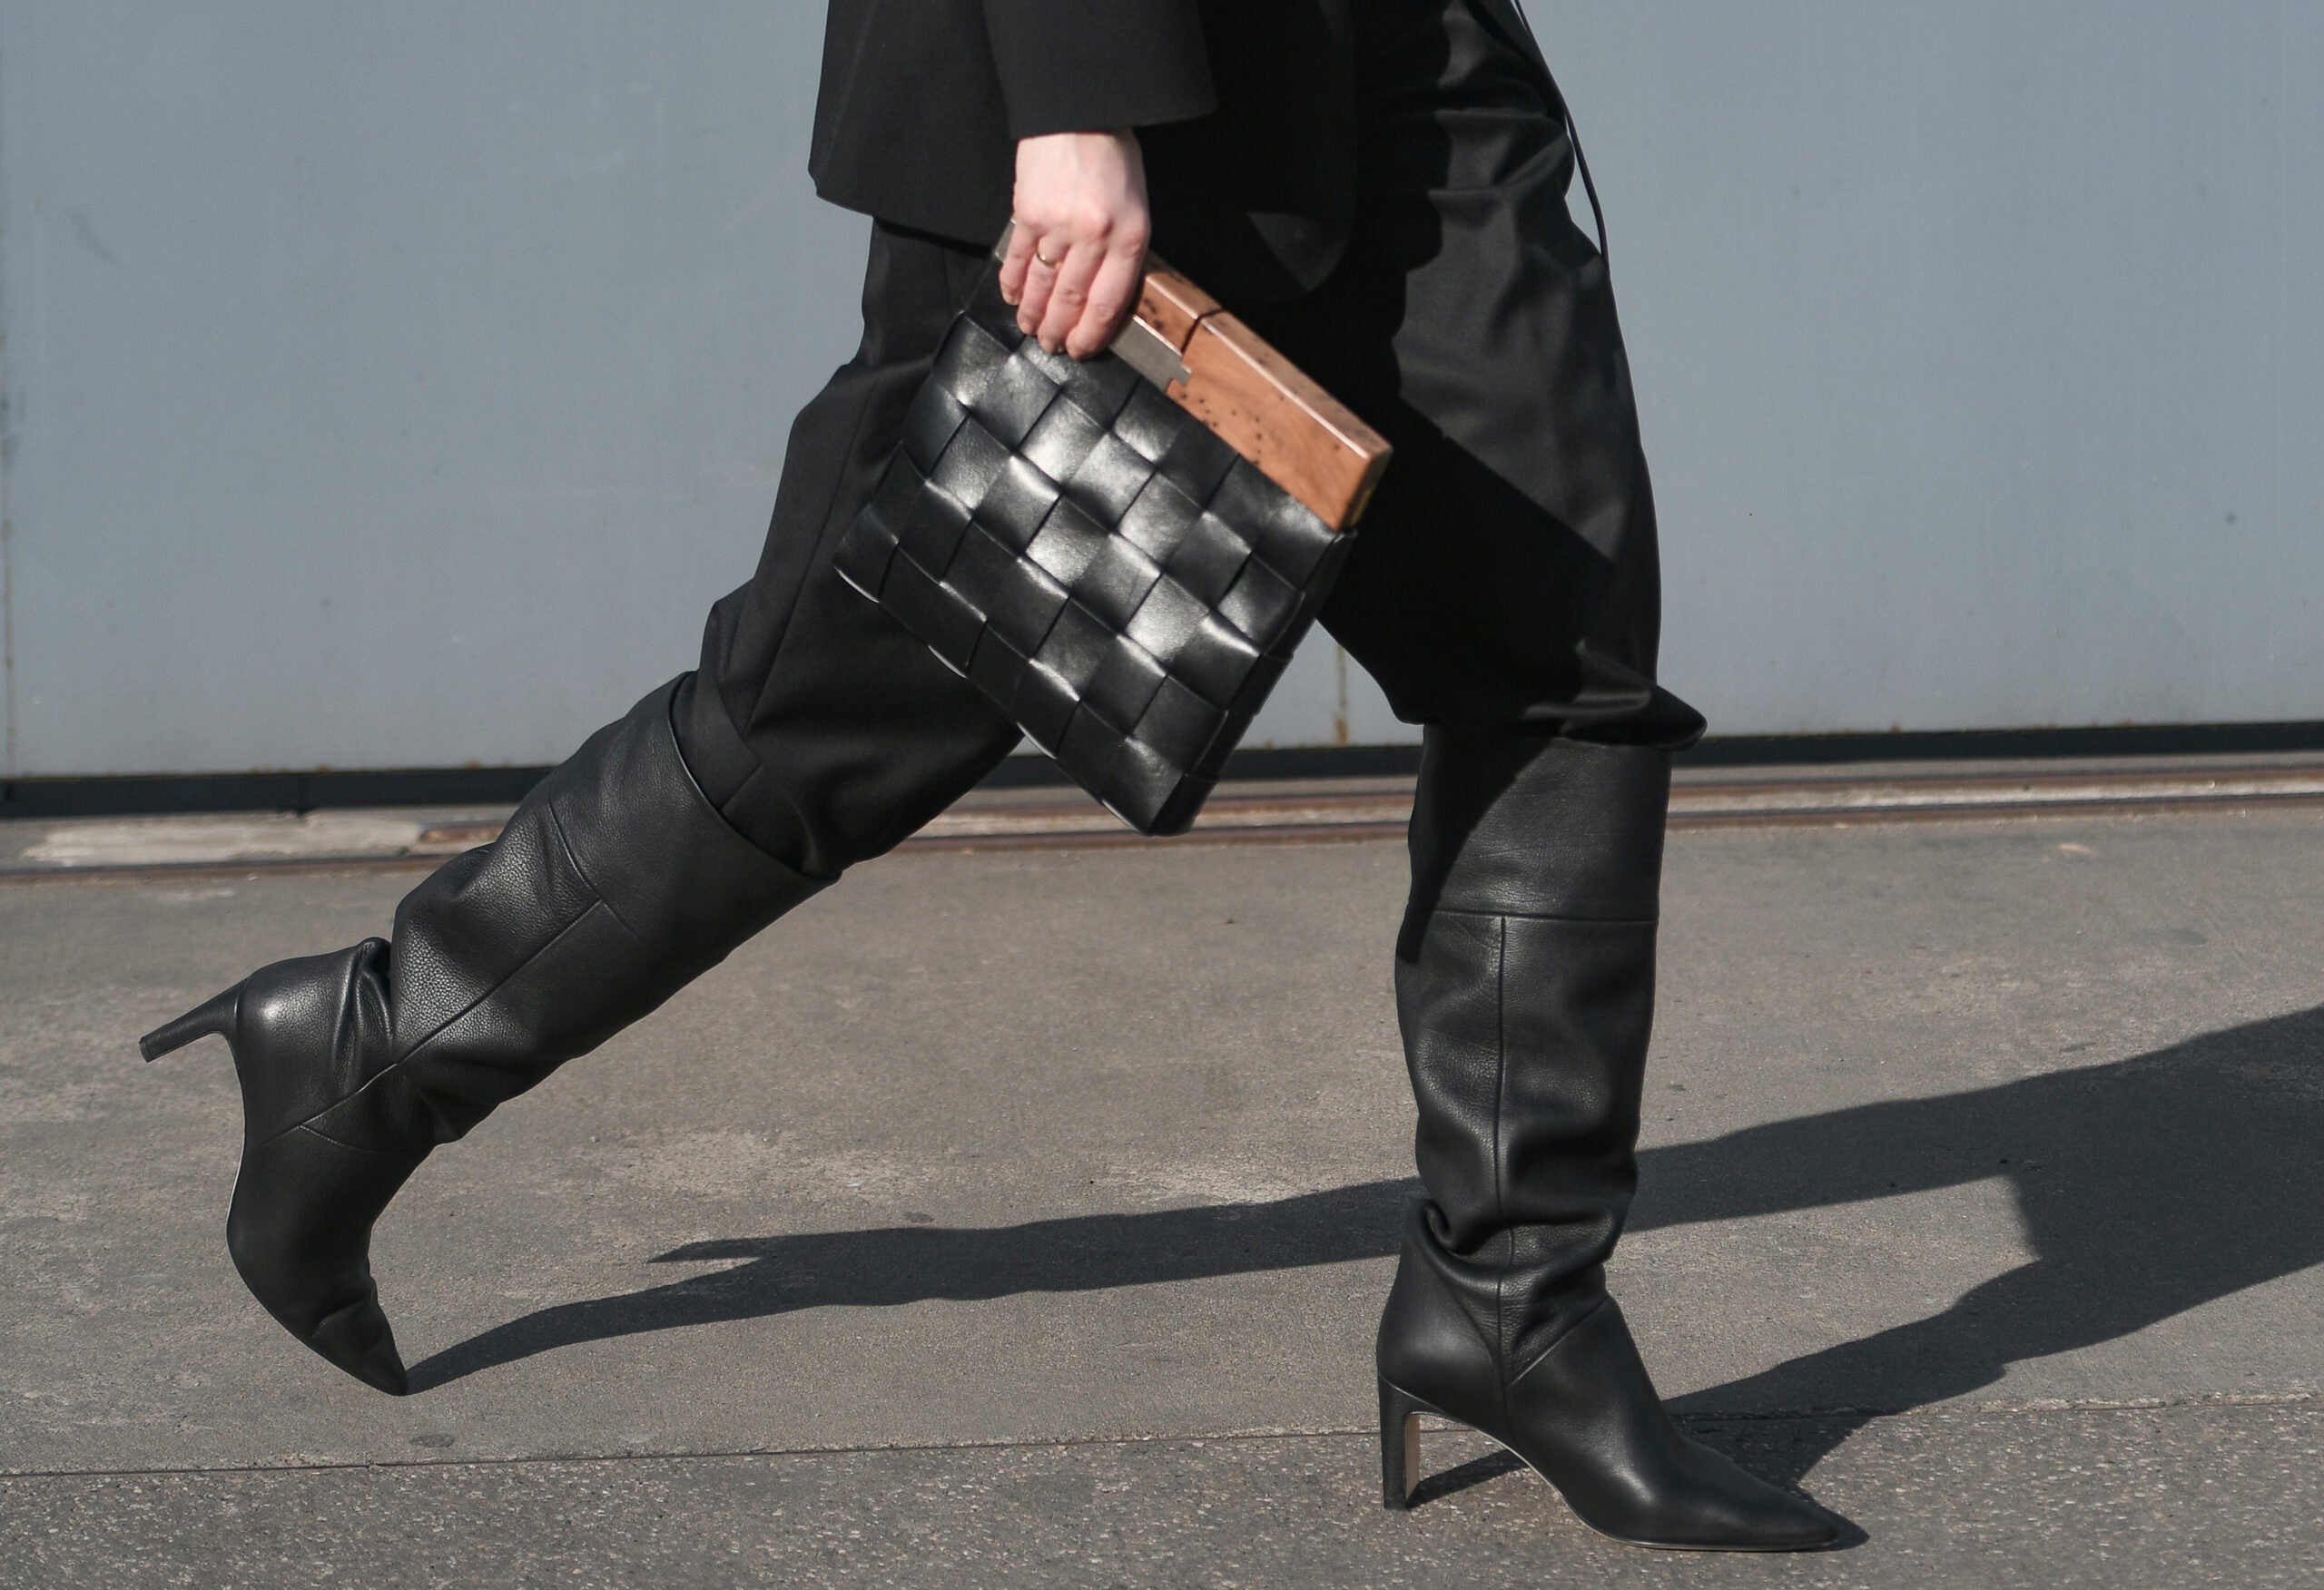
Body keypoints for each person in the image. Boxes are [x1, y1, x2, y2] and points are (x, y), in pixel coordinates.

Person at [142, 0, 1846, 1553]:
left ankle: (1517, 1302)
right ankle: (371, 1050)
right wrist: (1076, 94)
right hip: (1124, 80)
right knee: (834, 707)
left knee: (1562, 663)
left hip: (1405, 58)